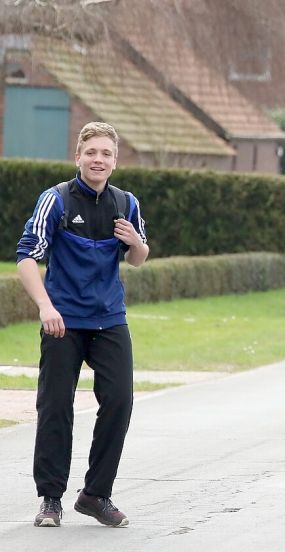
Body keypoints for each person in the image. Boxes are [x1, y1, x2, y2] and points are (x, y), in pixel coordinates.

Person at [16, 122, 150, 528]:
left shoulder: (126, 203)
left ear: (115, 161)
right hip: (63, 322)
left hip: (109, 319)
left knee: (120, 401)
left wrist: (137, 243)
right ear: (78, 156)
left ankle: (95, 495)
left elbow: (137, 258)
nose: (98, 160)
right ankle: (51, 499)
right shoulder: (54, 200)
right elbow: (26, 257)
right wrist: (45, 307)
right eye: (91, 152)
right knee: (56, 406)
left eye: (106, 154)